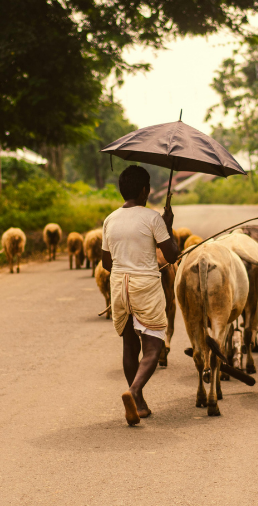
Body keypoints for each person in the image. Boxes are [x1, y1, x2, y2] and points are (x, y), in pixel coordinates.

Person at [101, 165, 179, 426]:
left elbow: (106, 263)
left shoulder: (110, 220)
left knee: (129, 345)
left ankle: (139, 403)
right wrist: (168, 226)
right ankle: (134, 391)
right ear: (145, 190)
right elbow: (172, 256)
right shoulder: (153, 218)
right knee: (154, 345)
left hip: (118, 286)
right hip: (145, 285)